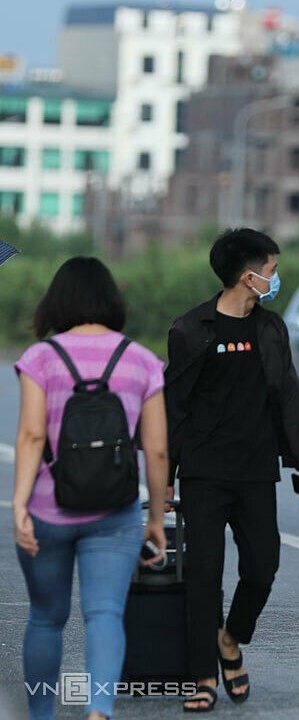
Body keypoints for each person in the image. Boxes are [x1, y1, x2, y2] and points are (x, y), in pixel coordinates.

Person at [165, 228, 299, 712]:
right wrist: (162, 479)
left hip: (255, 472)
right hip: (204, 473)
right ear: (247, 276)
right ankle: (202, 678)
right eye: (271, 270)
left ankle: (230, 639)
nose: (276, 279)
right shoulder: (190, 331)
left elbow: (289, 395)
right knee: (204, 576)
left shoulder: (271, 330)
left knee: (262, 566)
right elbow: (174, 410)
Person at [13, 257, 169, 720]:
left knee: (45, 617)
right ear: (111, 301)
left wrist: (19, 505)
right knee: (104, 615)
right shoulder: (140, 359)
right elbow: (157, 451)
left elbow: (32, 436)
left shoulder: (41, 357)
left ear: (57, 300)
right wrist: (156, 518)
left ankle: (42, 715)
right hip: (114, 512)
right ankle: (98, 710)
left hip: (47, 510)